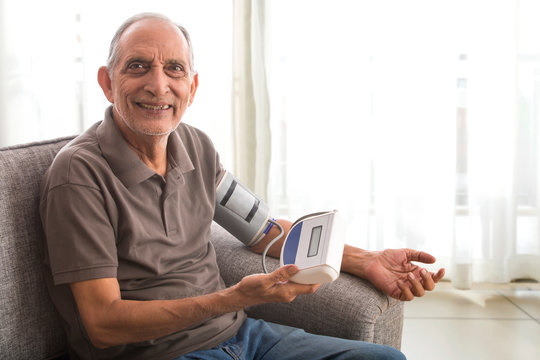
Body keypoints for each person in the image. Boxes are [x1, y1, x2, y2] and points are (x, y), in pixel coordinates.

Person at [39, 12, 444, 360]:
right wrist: (236, 297)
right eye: (138, 66)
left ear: (192, 87)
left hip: (242, 338)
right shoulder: (78, 174)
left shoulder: (196, 145)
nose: (158, 85)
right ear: (107, 83)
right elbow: (103, 324)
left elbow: (265, 233)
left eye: (174, 69)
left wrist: (364, 260)